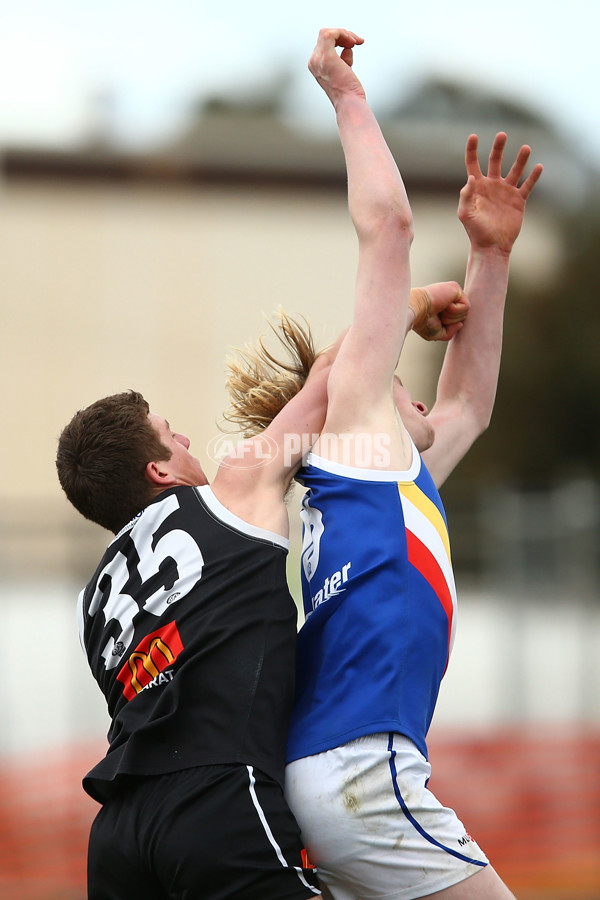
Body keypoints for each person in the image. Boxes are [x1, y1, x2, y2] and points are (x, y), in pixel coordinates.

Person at [55, 28, 467, 900]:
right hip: (218, 801)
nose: (195, 443)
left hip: (118, 836)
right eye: (175, 436)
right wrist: (419, 305)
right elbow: (329, 377)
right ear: (161, 472)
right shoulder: (237, 485)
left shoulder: (98, 597)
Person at [225, 27, 543, 900]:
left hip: (337, 775)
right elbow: (389, 227)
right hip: (366, 773)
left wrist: (489, 259)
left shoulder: (379, 480)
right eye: (394, 379)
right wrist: (346, 96)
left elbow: (469, 406)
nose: (413, 395)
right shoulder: (357, 437)